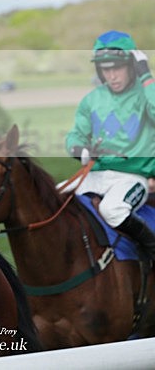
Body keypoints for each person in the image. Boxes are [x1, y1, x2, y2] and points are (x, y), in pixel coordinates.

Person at [65, 30, 155, 261]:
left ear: (132, 66)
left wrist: (146, 75)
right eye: (106, 69)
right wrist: (80, 150)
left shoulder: (147, 93)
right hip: (95, 174)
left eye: (118, 68)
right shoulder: (92, 99)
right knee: (53, 201)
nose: (112, 76)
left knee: (112, 210)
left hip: (132, 177)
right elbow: (75, 135)